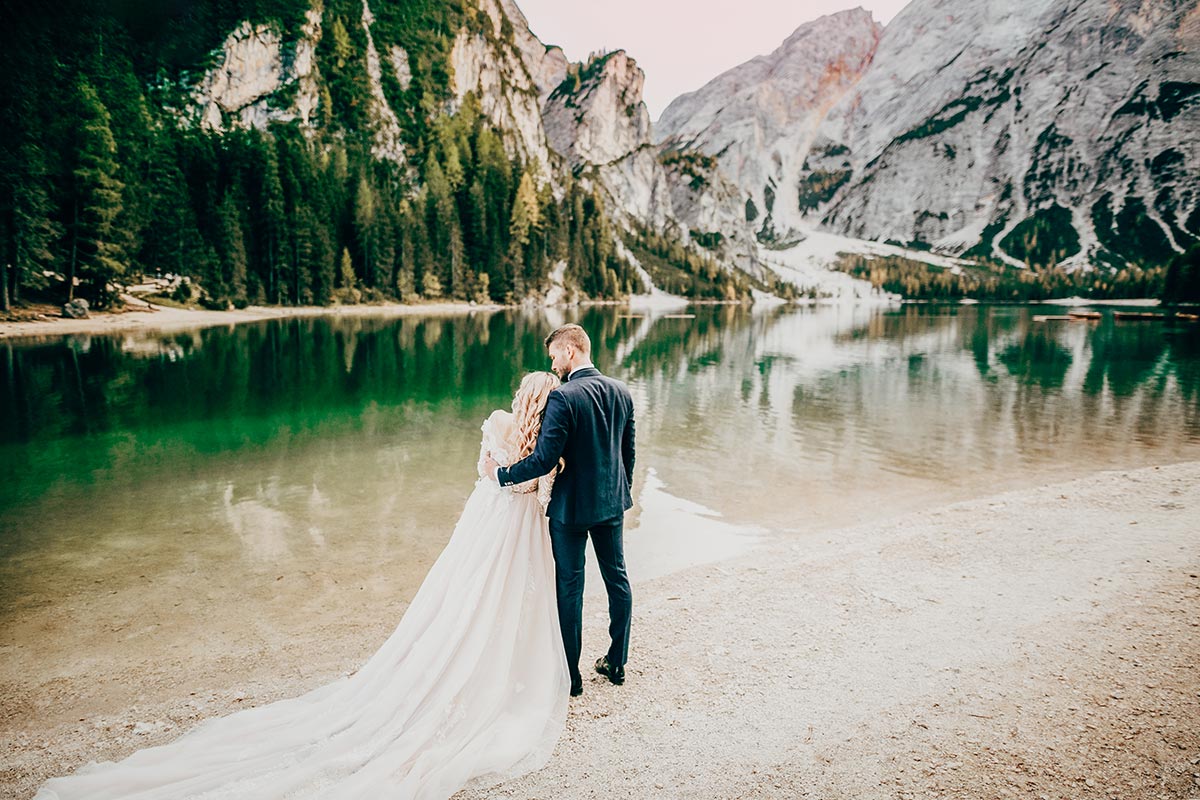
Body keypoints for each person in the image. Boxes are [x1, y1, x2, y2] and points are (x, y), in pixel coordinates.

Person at [36, 372, 569, 800]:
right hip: (520, 523)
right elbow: (540, 481)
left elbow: (482, 472)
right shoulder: (549, 433)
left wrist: (500, 478)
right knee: (508, 595)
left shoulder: (498, 421)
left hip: (486, 518)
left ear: (518, 395)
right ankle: (501, 669)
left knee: (464, 593)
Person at [483, 323, 635, 698]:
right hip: (612, 502)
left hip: (570, 511)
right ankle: (617, 662)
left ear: (571, 351)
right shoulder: (622, 391)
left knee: (570, 588)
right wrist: (621, 490)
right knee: (617, 579)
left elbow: (544, 459)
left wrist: (501, 474)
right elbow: (627, 454)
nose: (553, 365)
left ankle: (572, 677)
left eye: (554, 356)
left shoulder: (563, 398)